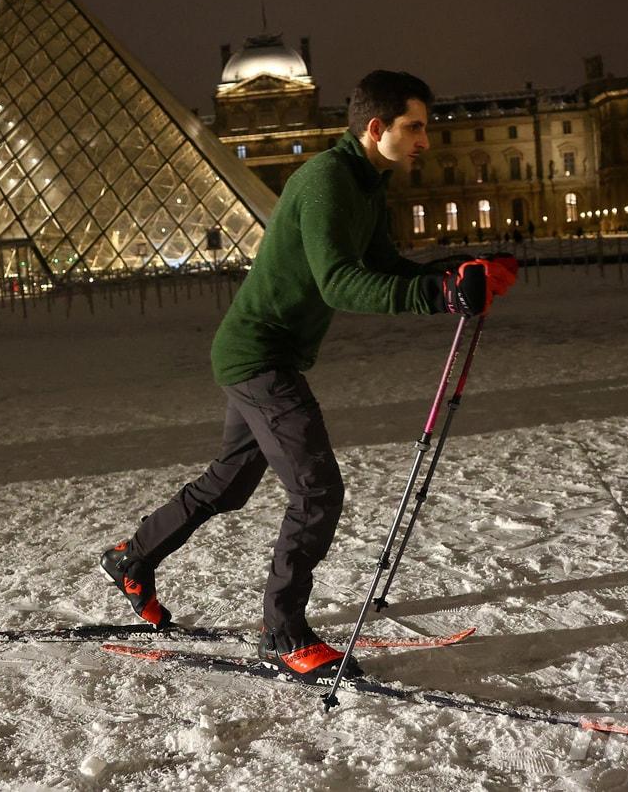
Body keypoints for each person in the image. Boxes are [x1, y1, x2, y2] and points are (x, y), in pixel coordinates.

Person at [100, 71, 517, 679]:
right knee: (317, 491)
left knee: (229, 483)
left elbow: (383, 267)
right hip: (258, 356)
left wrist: (461, 268)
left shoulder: (366, 183)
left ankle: (130, 559)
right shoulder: (326, 181)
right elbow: (341, 284)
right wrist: (442, 295)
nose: (427, 140)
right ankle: (281, 630)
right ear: (377, 129)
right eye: (416, 127)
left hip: (266, 353)